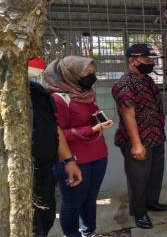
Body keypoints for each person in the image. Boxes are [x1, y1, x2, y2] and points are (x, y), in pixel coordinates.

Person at [43, 56, 112, 236]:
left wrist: (97, 121)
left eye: (92, 72)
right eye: (86, 73)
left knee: (90, 199)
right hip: (73, 160)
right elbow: (56, 134)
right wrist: (92, 128)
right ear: (70, 74)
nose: (91, 76)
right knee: (73, 202)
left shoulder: (85, 93)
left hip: (98, 156)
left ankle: (89, 232)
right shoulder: (58, 99)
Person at [112, 44, 167, 230]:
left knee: (155, 174)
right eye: (146, 59)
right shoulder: (124, 84)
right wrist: (137, 144)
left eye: (152, 59)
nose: (151, 62)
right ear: (132, 61)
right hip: (137, 139)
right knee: (138, 177)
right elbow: (128, 115)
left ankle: (152, 202)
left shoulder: (147, 80)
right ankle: (139, 213)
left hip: (156, 136)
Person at [29, 57, 83, 237]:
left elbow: (55, 127)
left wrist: (69, 160)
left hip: (44, 173)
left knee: (45, 220)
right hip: (16, 179)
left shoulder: (37, 91)